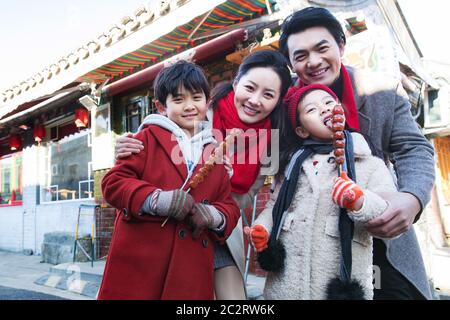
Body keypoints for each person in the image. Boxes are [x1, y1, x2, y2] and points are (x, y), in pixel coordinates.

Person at [277, 7, 435, 299]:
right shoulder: (285, 108)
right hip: (309, 254)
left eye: (322, 48)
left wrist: (412, 198)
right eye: (300, 56)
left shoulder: (381, 91)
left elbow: (413, 148)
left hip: (380, 241)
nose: (313, 62)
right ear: (290, 63)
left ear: (341, 45)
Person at [114, 50, 292, 299]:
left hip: (221, 229)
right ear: (236, 81)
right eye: (250, 87)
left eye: (268, 95)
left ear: (278, 100)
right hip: (169, 223)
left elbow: (248, 198)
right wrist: (126, 147)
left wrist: (220, 191)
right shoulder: (200, 110)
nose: (255, 100)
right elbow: (158, 144)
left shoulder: (270, 141)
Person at [98, 61, 240, 299]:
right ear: (161, 106)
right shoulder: (144, 138)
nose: (189, 106)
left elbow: (228, 204)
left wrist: (213, 215)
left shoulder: (216, 153)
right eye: (178, 99)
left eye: (196, 97)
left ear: (207, 102)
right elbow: (113, 183)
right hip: (143, 261)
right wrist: (156, 200)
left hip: (191, 268)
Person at [246, 83, 397, 299]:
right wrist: (262, 228)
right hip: (285, 285)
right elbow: (274, 206)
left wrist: (360, 201)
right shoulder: (293, 165)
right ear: (301, 130)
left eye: (328, 103)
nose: (324, 109)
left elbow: (385, 208)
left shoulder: (368, 163)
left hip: (335, 283)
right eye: (312, 109)